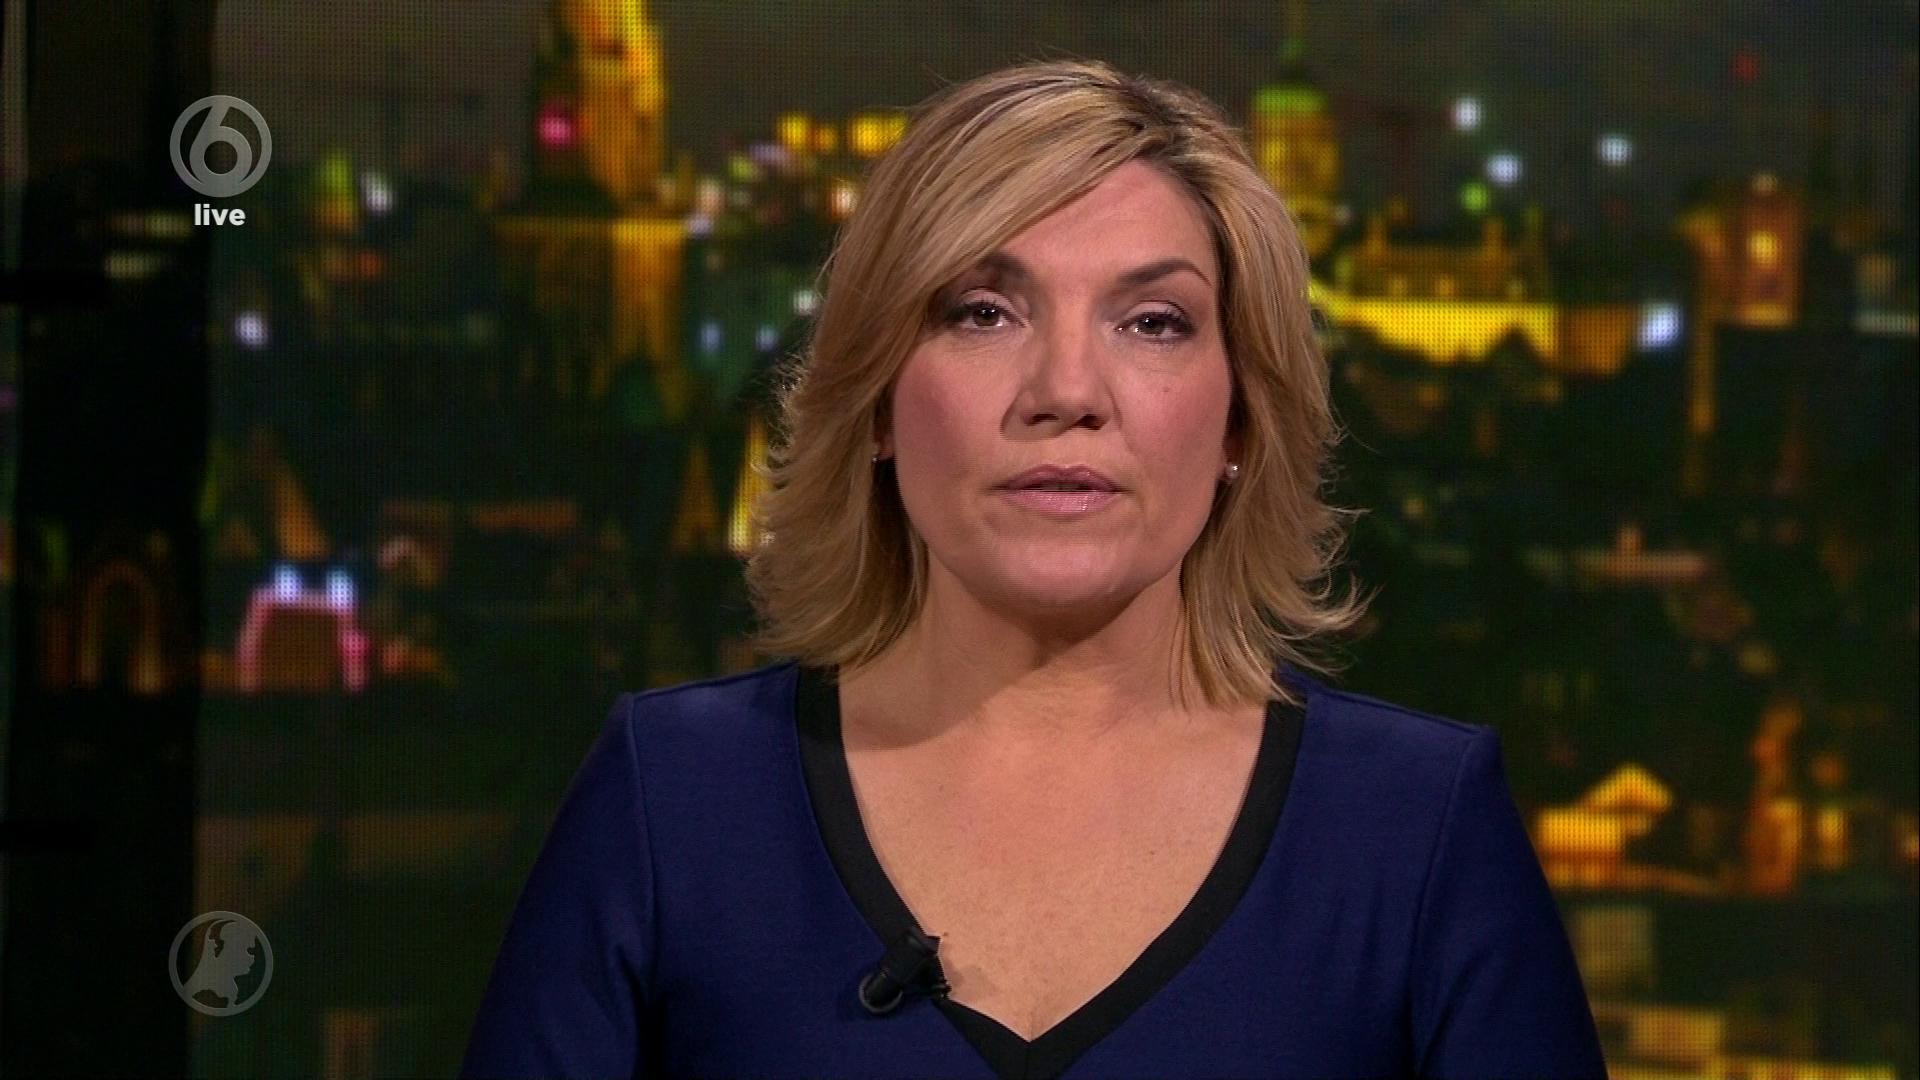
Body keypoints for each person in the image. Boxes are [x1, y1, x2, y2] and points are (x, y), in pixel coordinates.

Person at [461, 58, 1608, 1080]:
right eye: (982, 312)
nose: (1066, 391)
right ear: (875, 404)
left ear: (1242, 420)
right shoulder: (669, 802)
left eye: (1152, 322)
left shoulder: (1420, 830)